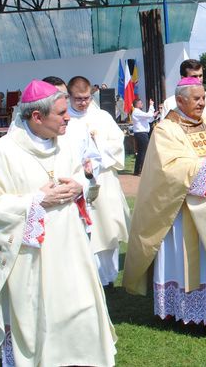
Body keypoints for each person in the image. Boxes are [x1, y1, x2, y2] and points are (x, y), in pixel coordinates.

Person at [0, 80, 117, 366]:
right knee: (41, 314)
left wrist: (80, 185)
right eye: (61, 113)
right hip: (33, 257)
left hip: (74, 248)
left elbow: (83, 178)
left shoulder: (65, 143)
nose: (68, 117)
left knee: (82, 307)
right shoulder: (4, 152)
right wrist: (35, 200)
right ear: (37, 117)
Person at [123, 76, 206, 344]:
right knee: (192, 263)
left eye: (203, 98)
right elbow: (168, 170)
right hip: (182, 215)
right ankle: (178, 311)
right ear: (180, 100)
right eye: (196, 98)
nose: (202, 102)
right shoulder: (166, 131)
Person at [68, 76, 130, 287]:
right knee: (82, 228)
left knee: (107, 227)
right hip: (77, 182)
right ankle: (86, 277)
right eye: (78, 99)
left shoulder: (102, 116)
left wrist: (97, 157)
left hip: (103, 178)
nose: (83, 103)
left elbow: (118, 143)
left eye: (86, 98)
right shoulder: (64, 118)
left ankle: (107, 277)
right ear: (69, 96)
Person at [162, 59, 206, 141]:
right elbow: (165, 135)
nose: (199, 80)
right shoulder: (170, 103)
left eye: (200, 76)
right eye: (194, 76)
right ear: (183, 78)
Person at [131, 97, 157, 176]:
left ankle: (137, 170)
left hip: (142, 133)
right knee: (143, 152)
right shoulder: (136, 112)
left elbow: (149, 119)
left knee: (141, 152)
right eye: (141, 103)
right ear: (137, 104)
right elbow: (149, 115)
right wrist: (151, 106)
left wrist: (153, 116)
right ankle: (141, 170)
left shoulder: (138, 112)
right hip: (141, 134)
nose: (142, 104)